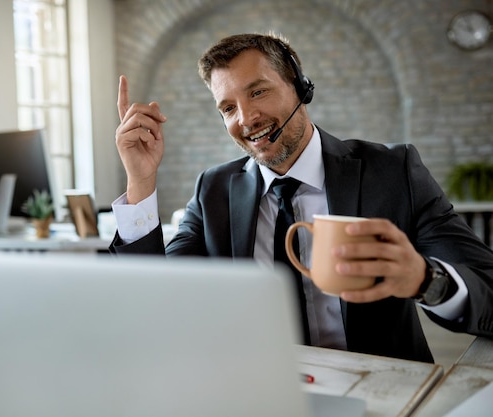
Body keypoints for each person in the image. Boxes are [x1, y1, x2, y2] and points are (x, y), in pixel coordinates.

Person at [109, 33, 493, 363]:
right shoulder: (213, 190)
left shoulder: (393, 172)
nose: (246, 119)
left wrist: (426, 280)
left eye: (258, 91)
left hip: (379, 393)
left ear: (300, 86)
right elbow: (154, 303)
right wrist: (141, 180)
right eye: (228, 108)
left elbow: (488, 291)